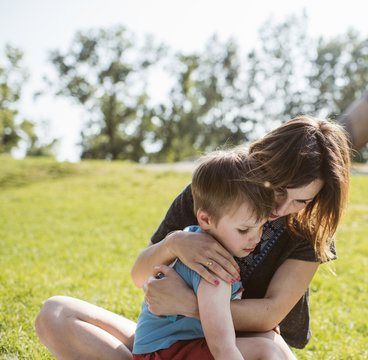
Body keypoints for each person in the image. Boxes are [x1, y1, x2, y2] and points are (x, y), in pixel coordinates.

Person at [35, 115, 351, 359]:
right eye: (279, 190)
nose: (281, 208)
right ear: (264, 160)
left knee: (273, 352)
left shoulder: (312, 227)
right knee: (55, 314)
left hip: (241, 342)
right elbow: (140, 276)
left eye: (301, 200)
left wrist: (190, 304)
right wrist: (174, 243)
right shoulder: (218, 192)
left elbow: (270, 313)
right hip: (176, 338)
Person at [133, 148, 292, 360]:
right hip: (164, 352)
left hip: (173, 346)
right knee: (265, 351)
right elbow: (222, 349)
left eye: (261, 227)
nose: (255, 238)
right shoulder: (211, 266)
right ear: (206, 219)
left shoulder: (195, 239)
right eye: (244, 230)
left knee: (266, 340)